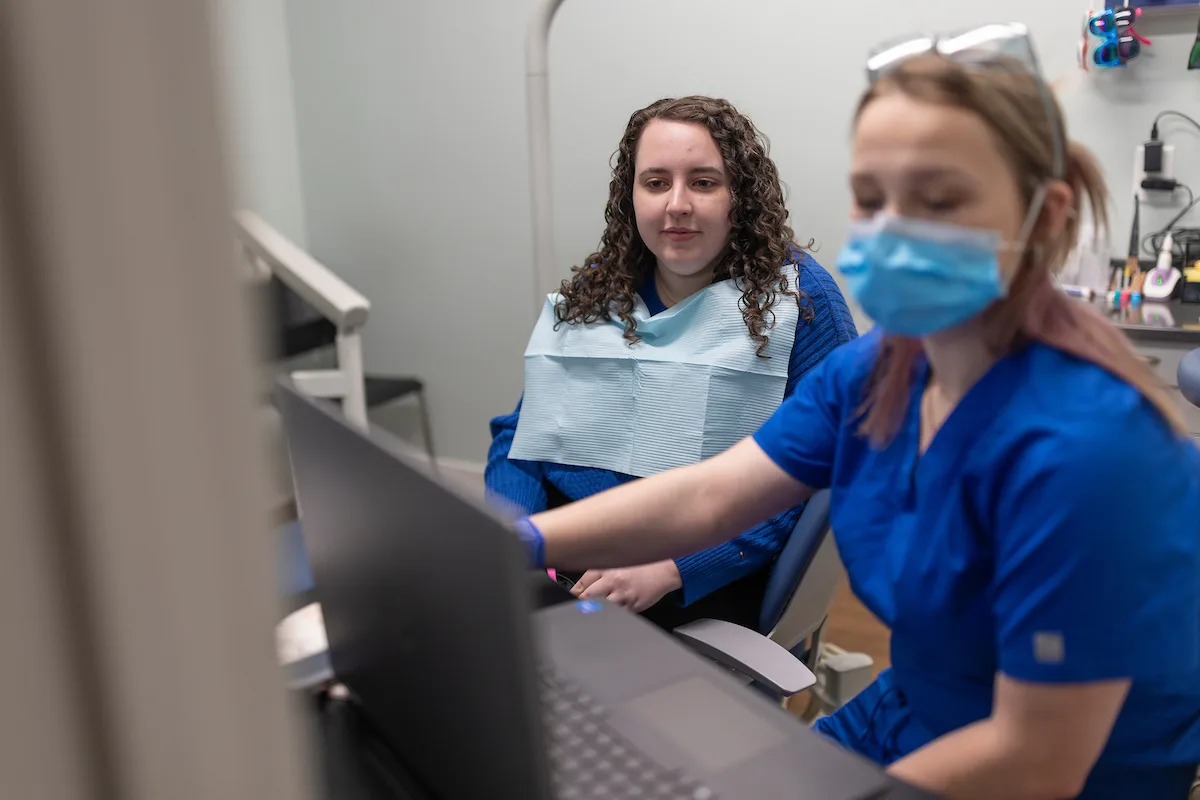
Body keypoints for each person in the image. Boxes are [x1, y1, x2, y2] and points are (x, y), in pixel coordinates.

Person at [511, 26, 1200, 800]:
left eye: (938, 199)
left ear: (1043, 217)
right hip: (913, 708)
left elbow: (1036, 758)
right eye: (873, 198)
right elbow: (710, 496)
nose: (895, 225)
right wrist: (517, 539)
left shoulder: (1090, 450)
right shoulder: (882, 369)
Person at [487, 95, 857, 631]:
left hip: (695, 577)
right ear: (631, 194)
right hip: (565, 550)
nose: (676, 204)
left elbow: (815, 477)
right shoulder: (601, 286)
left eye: (703, 182)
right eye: (656, 182)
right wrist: (515, 539)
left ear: (741, 196)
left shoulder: (799, 301)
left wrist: (671, 568)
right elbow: (524, 438)